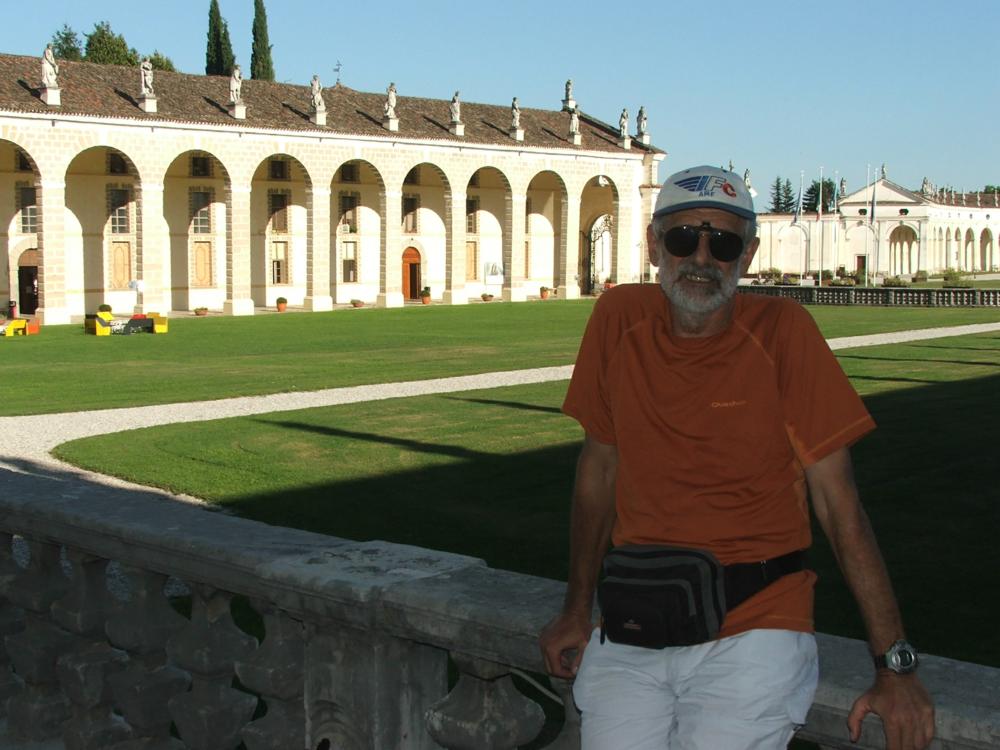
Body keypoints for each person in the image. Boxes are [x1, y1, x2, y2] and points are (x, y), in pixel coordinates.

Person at [539, 165, 935, 750]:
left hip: (755, 627)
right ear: (653, 245)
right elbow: (598, 472)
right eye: (683, 238)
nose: (701, 259)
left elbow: (838, 502)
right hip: (635, 621)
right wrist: (577, 609)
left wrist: (894, 666)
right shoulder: (617, 318)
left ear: (747, 255)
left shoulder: (783, 332)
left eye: (722, 244)